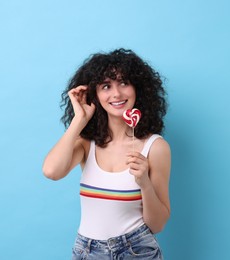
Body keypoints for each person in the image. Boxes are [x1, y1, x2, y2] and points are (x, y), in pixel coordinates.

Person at [42, 48, 171, 260]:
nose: (116, 94)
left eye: (124, 83)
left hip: (137, 250)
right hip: (87, 251)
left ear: (138, 88)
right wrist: (79, 119)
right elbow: (51, 171)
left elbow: (157, 225)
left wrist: (144, 182)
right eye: (106, 86)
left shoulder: (155, 147)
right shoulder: (86, 144)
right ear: (95, 94)